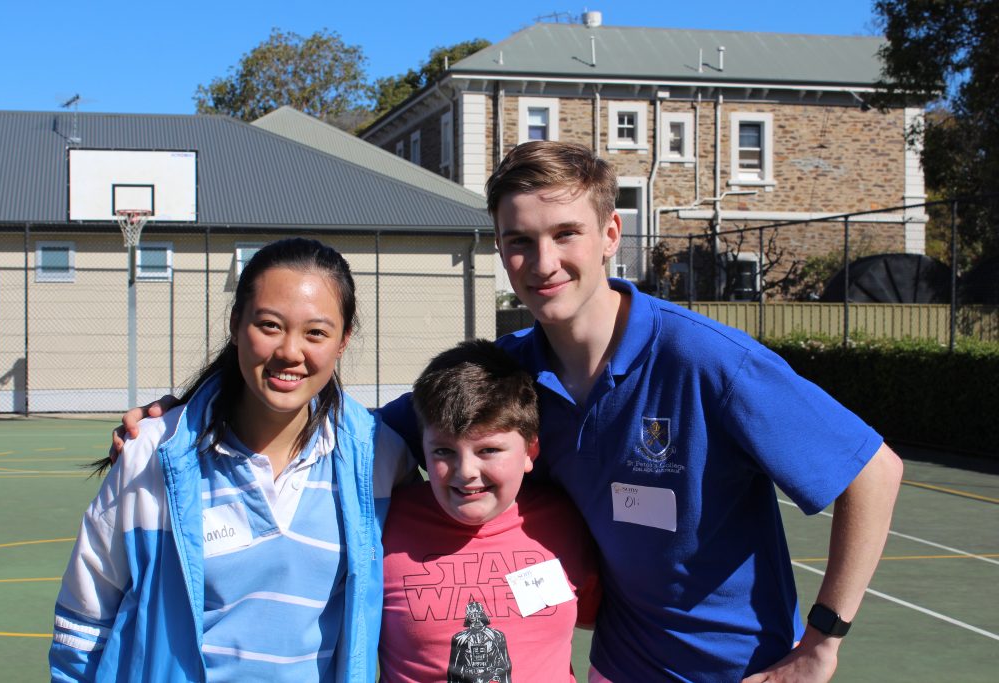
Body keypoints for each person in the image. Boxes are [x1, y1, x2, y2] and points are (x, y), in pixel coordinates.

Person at [114, 141, 905, 681]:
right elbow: (355, 428)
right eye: (519, 241)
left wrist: (822, 641)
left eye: (566, 233)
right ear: (499, 248)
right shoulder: (510, 370)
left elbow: (873, 468)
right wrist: (200, 405)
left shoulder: (707, 361)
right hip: (619, 663)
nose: (544, 261)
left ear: (610, 235)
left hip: (739, 666)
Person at [50, 238, 413, 682]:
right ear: (236, 322)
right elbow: (84, 622)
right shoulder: (152, 454)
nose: (290, 352)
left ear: (343, 341)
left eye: (316, 332)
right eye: (269, 325)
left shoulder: (379, 458)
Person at [378, 339, 600, 683]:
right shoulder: (383, 527)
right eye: (443, 452)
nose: (466, 470)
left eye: (489, 449)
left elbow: (593, 617)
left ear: (530, 450)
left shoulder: (566, 521)